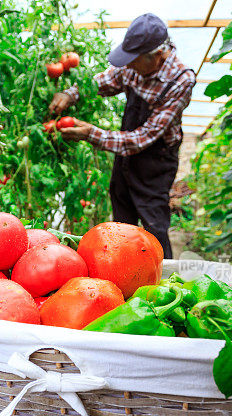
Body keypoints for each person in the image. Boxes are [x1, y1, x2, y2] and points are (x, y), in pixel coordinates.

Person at [52, 13, 196, 259]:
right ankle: (124, 272)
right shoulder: (133, 68)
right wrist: (71, 93)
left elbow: (144, 137)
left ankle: (165, 279)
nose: (127, 65)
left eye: (133, 60)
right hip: (126, 155)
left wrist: (90, 134)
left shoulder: (180, 80)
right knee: (122, 221)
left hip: (156, 160)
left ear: (157, 55)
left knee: (154, 225)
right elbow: (103, 81)